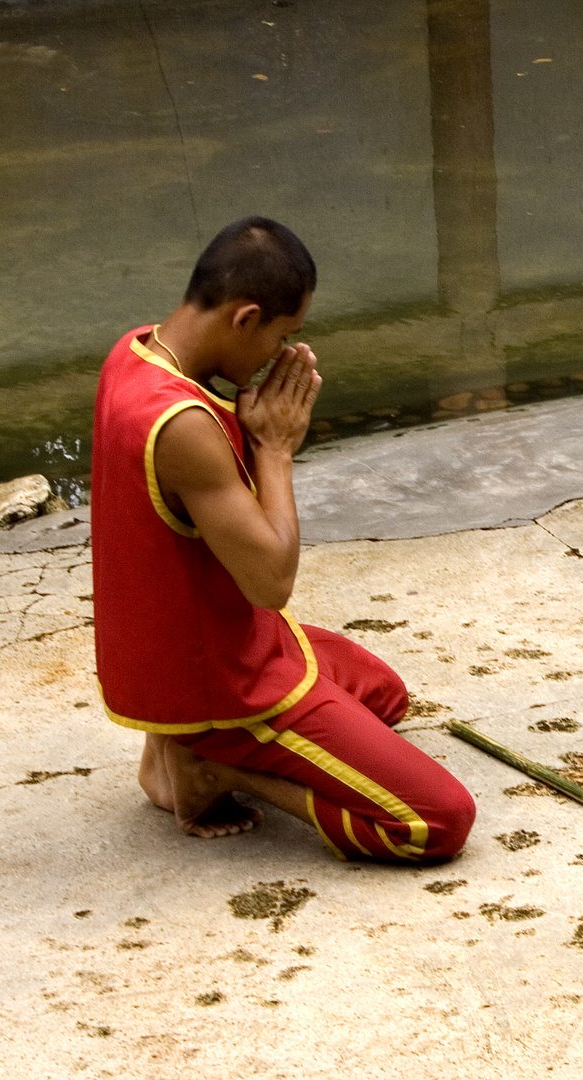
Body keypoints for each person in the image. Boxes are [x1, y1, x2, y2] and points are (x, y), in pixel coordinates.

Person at [90, 216, 474, 862]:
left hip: (172, 659)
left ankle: (172, 745)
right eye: (283, 335)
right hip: (224, 689)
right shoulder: (183, 424)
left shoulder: (132, 351)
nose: (281, 356)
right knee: (436, 821)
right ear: (245, 319)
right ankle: (217, 768)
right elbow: (270, 583)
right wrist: (274, 449)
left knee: (384, 694)